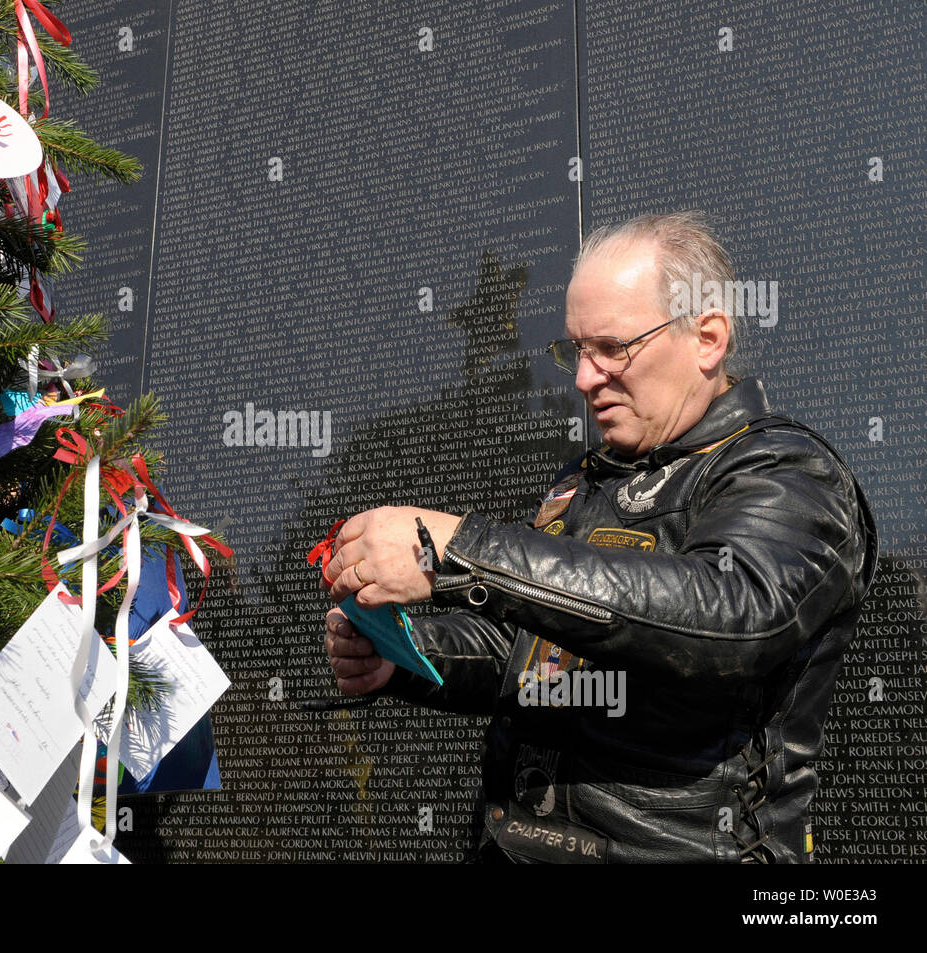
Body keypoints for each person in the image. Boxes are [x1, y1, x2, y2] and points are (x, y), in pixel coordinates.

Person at [321, 211, 877, 863]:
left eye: (612, 347)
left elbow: (728, 613)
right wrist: (407, 655)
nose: (584, 379)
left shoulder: (788, 473)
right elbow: (530, 656)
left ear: (708, 338)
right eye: (576, 351)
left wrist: (462, 552)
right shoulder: (587, 480)